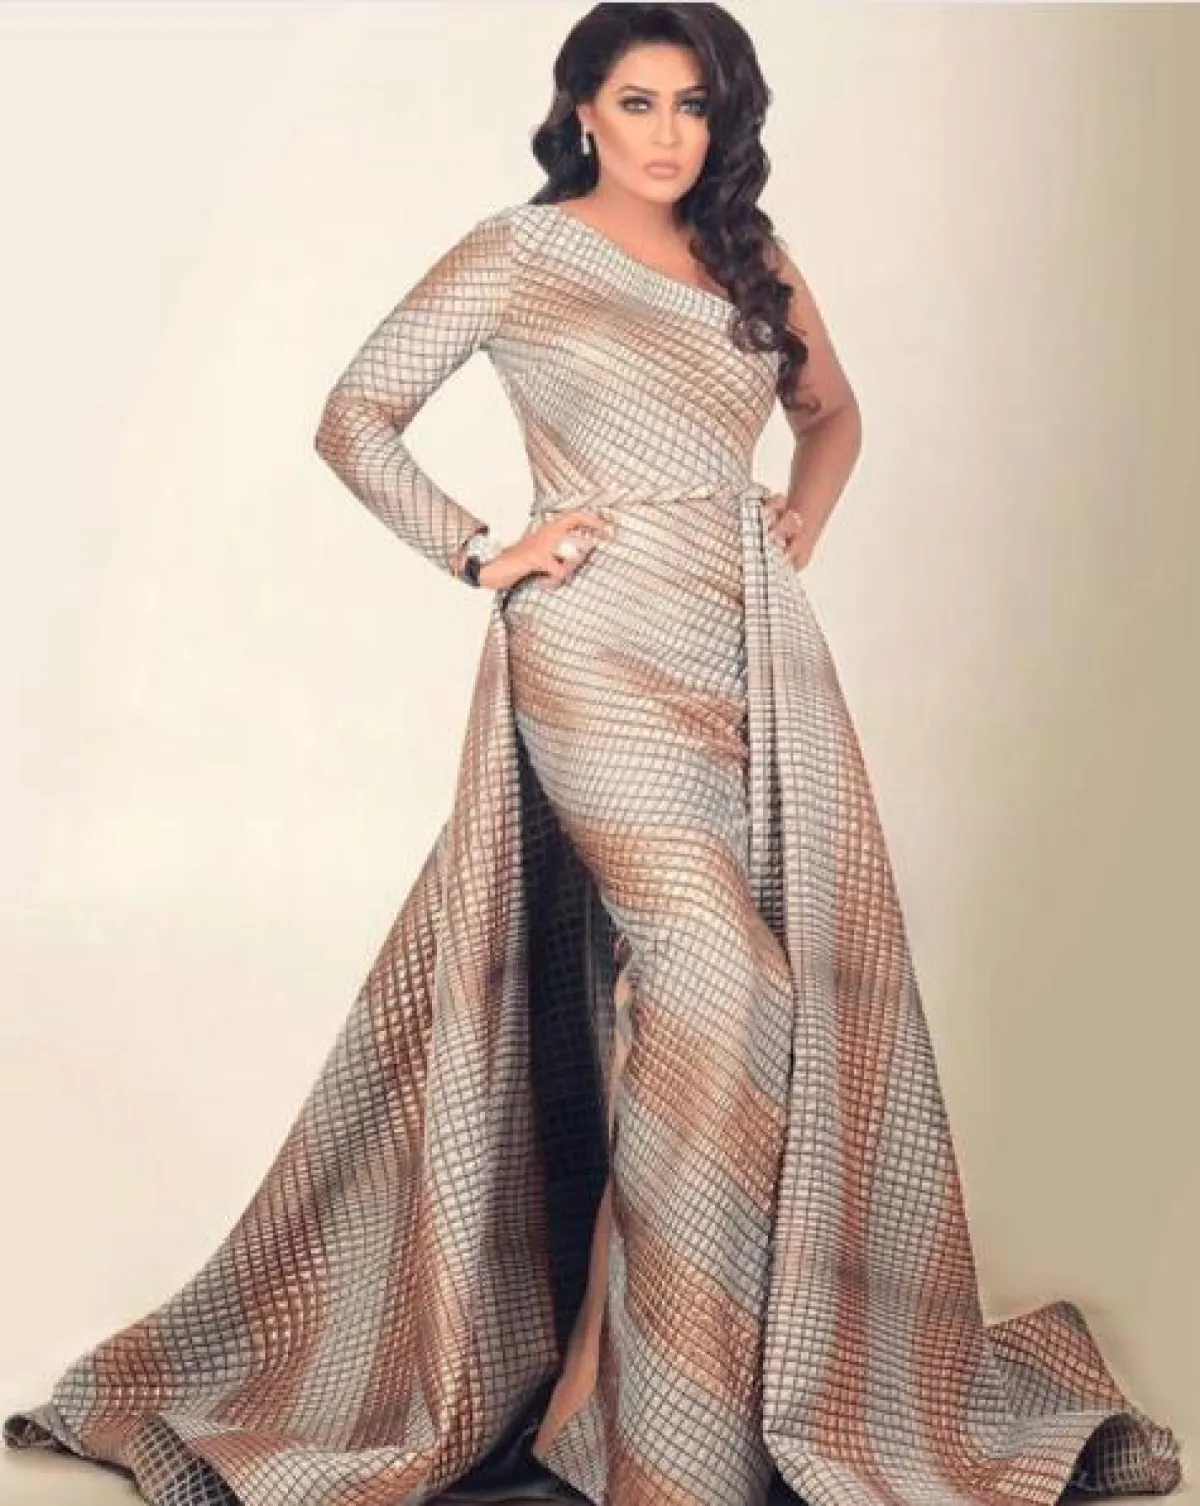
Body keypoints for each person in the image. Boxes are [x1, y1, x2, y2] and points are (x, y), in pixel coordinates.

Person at [4, 6, 1184, 1506]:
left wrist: (798, 520)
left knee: (734, 1008)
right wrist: (482, 549)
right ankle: (659, 1435)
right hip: (593, 645)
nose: (670, 135)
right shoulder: (516, 251)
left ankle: (606, 1385)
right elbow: (354, 415)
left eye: (697, 106)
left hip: (751, 652)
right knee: (720, 973)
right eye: (639, 103)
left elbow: (831, 414)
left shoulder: (750, 254)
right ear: (578, 110)